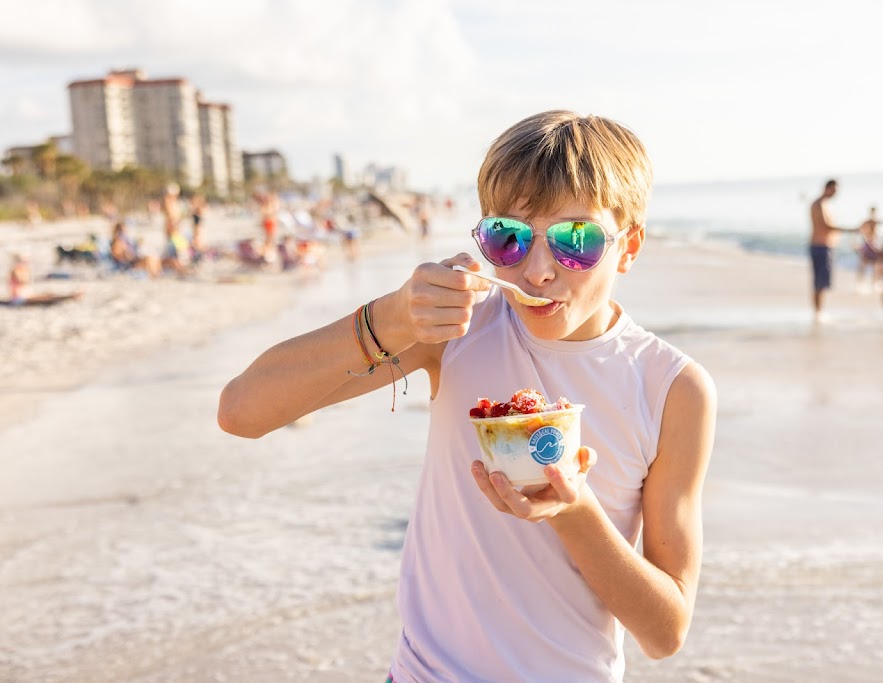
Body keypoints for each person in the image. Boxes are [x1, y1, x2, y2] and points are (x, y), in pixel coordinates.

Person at [218, 110, 717, 682]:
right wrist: (392, 316)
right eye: (509, 238)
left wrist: (574, 512)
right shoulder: (457, 332)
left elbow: (665, 632)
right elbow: (242, 411)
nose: (538, 272)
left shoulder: (670, 388)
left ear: (628, 247)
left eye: (574, 241)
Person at [808, 179, 859, 323]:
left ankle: (819, 312)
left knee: (821, 282)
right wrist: (851, 229)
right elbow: (826, 226)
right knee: (819, 282)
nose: (836, 194)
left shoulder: (820, 204)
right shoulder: (819, 204)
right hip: (821, 246)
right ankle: (818, 313)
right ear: (827, 188)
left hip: (821, 245)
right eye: (834, 190)